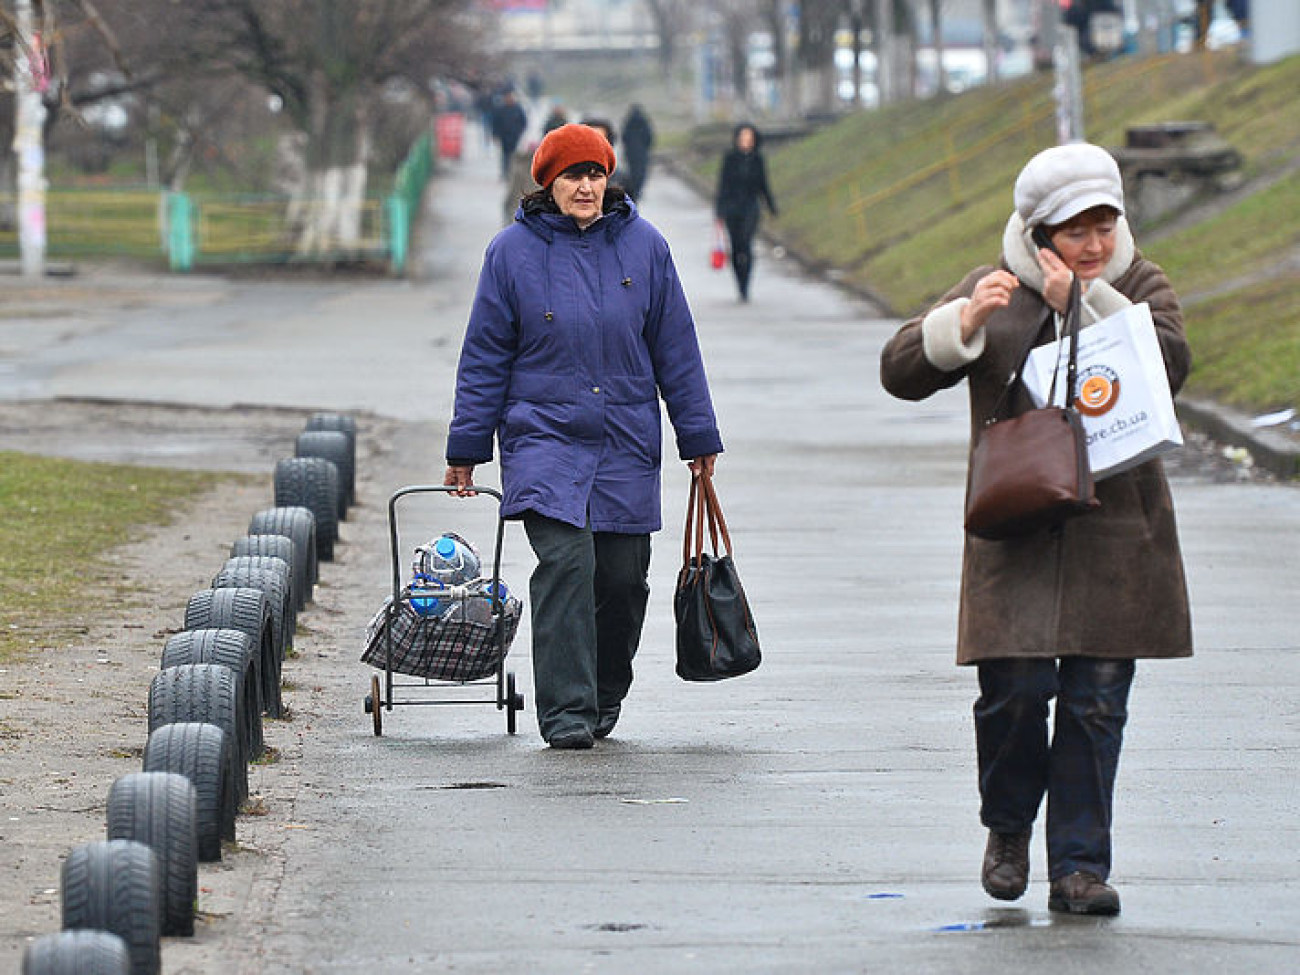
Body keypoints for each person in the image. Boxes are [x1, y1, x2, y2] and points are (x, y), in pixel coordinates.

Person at [879, 143, 1193, 916]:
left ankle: (1080, 866)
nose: (1093, 245)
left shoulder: (1138, 283)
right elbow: (899, 369)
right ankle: (1010, 827)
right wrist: (965, 321)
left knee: (1095, 702)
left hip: (1116, 533)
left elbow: (1173, 364)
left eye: (1103, 226)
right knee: (1014, 694)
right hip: (1015, 530)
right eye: (1074, 230)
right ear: (1039, 228)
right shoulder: (1001, 284)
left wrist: (1085, 305)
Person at [445, 124, 724, 750]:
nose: (586, 187)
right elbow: (485, 355)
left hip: (625, 435)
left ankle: (603, 696)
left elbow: (676, 348)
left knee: (623, 581)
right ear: (550, 182)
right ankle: (567, 712)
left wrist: (697, 435)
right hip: (541, 436)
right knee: (567, 563)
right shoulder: (510, 252)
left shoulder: (645, 247)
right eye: (573, 175)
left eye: (596, 174)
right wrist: (467, 448)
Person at [714, 123, 778, 302]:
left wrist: (771, 206)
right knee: (735, 248)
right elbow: (723, 185)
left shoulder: (758, 159)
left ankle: (746, 284)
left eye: (749, 138)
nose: (746, 142)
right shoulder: (730, 159)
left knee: (746, 243)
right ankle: (740, 283)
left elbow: (764, 184)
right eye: (743, 138)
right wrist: (719, 210)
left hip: (750, 207)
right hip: (732, 207)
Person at [491, 89, 529, 180]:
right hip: (503, 136)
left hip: (514, 136)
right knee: (504, 154)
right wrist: (495, 134)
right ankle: (505, 172)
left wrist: (519, 131)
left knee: (513, 154)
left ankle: (511, 172)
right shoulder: (500, 109)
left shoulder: (518, 109)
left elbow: (523, 122)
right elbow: (495, 123)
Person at [621, 104, 655, 201]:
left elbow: (624, 137)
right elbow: (649, 137)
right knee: (641, 172)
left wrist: (627, 148)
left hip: (631, 153)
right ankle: (638, 189)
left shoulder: (628, 123)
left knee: (632, 171)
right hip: (642, 153)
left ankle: (634, 188)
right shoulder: (644, 123)